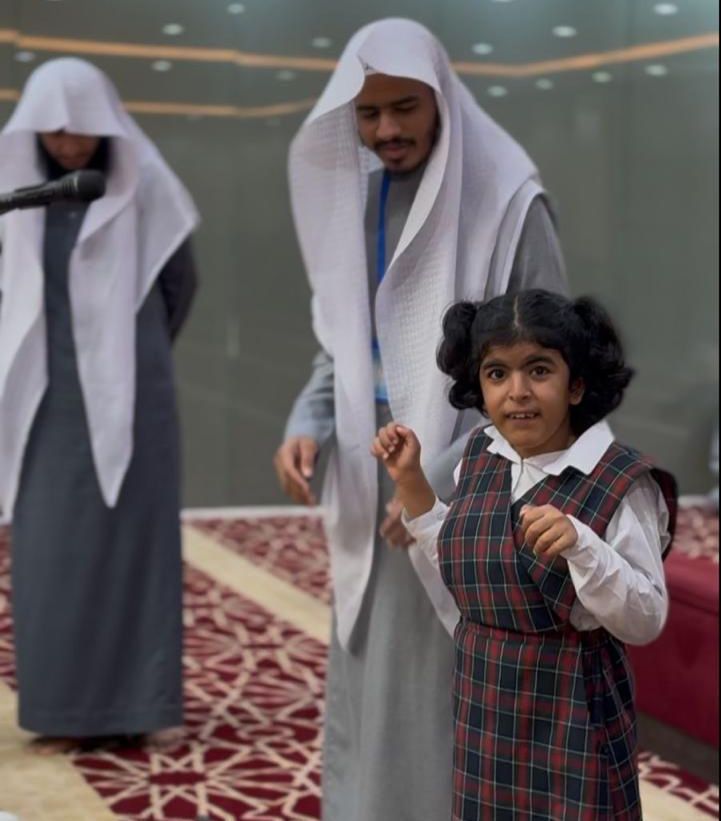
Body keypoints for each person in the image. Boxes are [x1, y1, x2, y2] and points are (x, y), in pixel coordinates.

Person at [275, 18, 568, 820]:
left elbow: (542, 363)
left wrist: (438, 479)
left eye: (404, 107)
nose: (386, 131)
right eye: (367, 116)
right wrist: (308, 417)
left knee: (433, 669)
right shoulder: (360, 195)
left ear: (441, 99)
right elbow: (341, 343)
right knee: (364, 651)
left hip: (465, 472)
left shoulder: (507, 196)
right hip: (366, 465)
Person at [371, 289, 677, 820]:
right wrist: (412, 484)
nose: (517, 393)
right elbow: (468, 564)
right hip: (485, 703)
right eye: (497, 374)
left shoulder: (623, 481)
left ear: (576, 383)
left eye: (539, 370)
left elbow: (646, 618)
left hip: (572, 711)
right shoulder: (482, 457)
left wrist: (583, 547)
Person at [0, 58, 199, 750]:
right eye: (55, 129)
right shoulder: (15, 192)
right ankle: (62, 710)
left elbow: (179, 282)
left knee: (136, 551)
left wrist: (131, 354)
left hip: (133, 395)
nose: (70, 144)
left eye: (83, 129)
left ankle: (145, 702)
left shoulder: (145, 187)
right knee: (52, 553)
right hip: (45, 404)